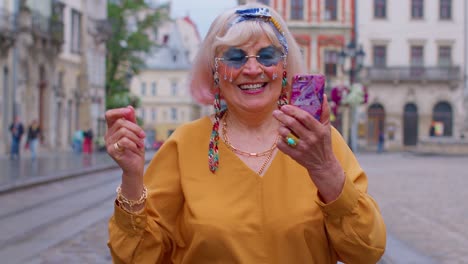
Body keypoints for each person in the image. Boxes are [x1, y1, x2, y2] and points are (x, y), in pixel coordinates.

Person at [105, 4, 386, 263]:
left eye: (267, 56)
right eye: (235, 57)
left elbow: (366, 249)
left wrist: (325, 168)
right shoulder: (185, 145)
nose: (252, 69)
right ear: (215, 71)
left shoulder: (318, 140)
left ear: (284, 67)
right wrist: (131, 178)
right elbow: (137, 257)